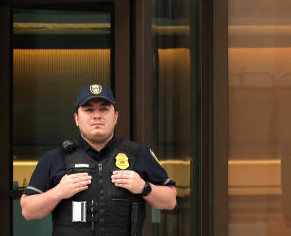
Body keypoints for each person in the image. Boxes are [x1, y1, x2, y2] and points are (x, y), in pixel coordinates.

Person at [19, 84, 176, 235]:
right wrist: (58, 192)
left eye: (104, 109)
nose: (97, 115)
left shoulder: (139, 154)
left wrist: (143, 187)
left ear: (115, 117)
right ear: (76, 119)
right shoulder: (54, 158)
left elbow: (170, 201)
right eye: (88, 110)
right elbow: (28, 211)